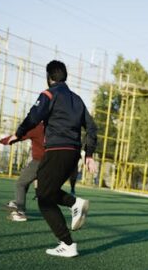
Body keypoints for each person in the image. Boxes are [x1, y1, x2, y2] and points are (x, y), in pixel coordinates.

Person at [9, 60, 98, 258]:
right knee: (45, 191)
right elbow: (92, 128)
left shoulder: (49, 94)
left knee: (43, 198)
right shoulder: (77, 100)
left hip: (57, 149)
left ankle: (67, 241)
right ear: (65, 76)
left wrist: (19, 133)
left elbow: (34, 116)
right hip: (73, 153)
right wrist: (89, 154)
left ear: (49, 77)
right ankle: (73, 210)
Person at [0, 122, 45, 222]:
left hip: (39, 161)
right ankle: (18, 202)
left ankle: (20, 212)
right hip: (55, 161)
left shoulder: (37, 127)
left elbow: (20, 135)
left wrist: (4, 140)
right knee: (27, 181)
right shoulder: (56, 126)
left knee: (20, 184)